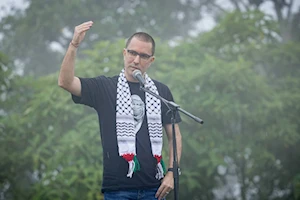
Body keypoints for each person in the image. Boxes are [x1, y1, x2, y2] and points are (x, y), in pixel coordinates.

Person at [58, 21, 182, 200]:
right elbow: (65, 82)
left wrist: (171, 172)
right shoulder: (105, 87)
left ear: (151, 60)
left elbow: (174, 136)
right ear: (124, 53)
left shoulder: (161, 92)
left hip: (155, 189)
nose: (136, 60)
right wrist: (74, 44)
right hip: (118, 190)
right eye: (132, 53)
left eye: (143, 55)